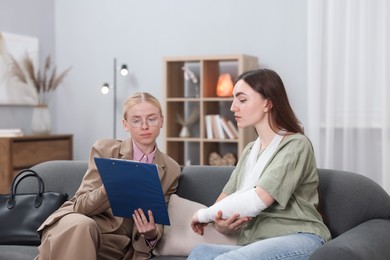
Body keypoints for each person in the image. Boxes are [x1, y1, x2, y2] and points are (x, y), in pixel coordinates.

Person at [188, 69, 331, 259]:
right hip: (256, 242)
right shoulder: (249, 152)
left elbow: (257, 200)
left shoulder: (296, 145)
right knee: (201, 253)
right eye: (234, 99)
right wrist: (220, 222)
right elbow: (222, 203)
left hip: (300, 236)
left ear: (267, 103)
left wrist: (203, 215)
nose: (232, 107)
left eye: (242, 99)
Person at [35, 92, 181, 260]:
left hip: (114, 244)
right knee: (84, 226)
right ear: (125, 125)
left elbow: (159, 216)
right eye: (136, 120)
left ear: (162, 121)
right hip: (78, 223)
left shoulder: (171, 169)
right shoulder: (104, 149)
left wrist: (151, 235)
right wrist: (106, 190)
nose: (144, 126)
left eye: (152, 119)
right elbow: (81, 205)